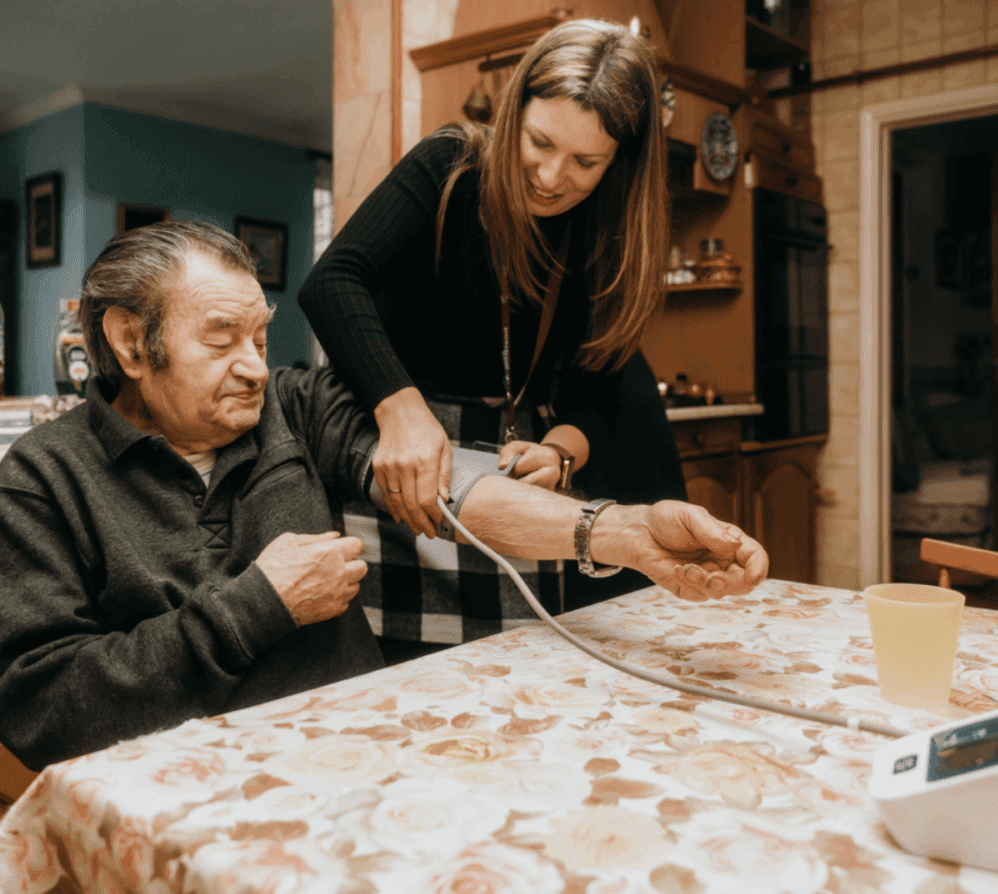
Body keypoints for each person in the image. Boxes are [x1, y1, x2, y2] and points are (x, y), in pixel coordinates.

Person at [0, 221, 766, 770]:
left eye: (261, 339)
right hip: (179, 793)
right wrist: (258, 605)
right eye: (221, 337)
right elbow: (40, 708)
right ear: (132, 342)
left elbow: (452, 489)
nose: (255, 368)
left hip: (355, 761)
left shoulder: (291, 408)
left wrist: (620, 532)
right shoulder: (39, 479)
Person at [299, 18, 687, 660]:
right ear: (515, 113)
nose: (551, 176)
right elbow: (334, 282)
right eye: (539, 141)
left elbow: (601, 380)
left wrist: (561, 450)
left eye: (585, 161)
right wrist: (402, 412)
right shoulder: (450, 165)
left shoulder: (606, 227)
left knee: (515, 676)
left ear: (619, 163)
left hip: (510, 469)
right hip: (401, 452)